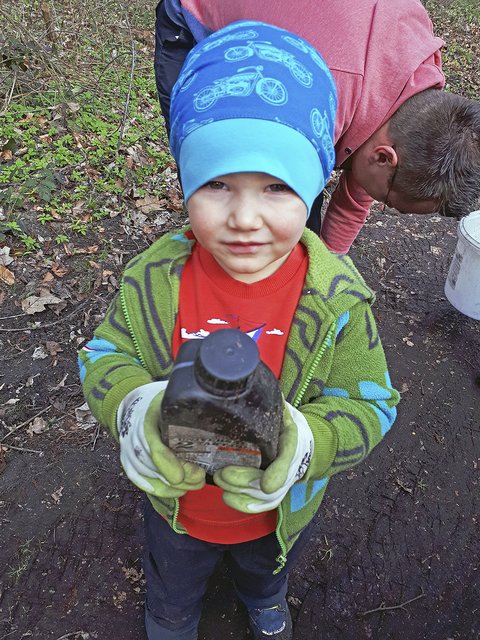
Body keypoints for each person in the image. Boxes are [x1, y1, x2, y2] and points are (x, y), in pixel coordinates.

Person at [79, 21, 400, 640]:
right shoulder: (155, 279)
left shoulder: (337, 300)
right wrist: (130, 408)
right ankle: (170, 619)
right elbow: (105, 353)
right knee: (174, 585)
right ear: (184, 181)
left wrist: (310, 444)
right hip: (176, 512)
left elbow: (373, 402)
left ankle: (265, 601)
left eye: (277, 186)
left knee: (265, 573)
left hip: (278, 514)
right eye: (217, 183)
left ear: (314, 185)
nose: (245, 218)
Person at [154, 0, 480, 254]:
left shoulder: (417, 100)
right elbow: (272, 186)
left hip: (305, 44)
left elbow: (354, 196)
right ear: (384, 158)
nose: (378, 202)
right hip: (196, 17)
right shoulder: (315, 95)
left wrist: (324, 273)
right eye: (388, 201)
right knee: (217, 169)